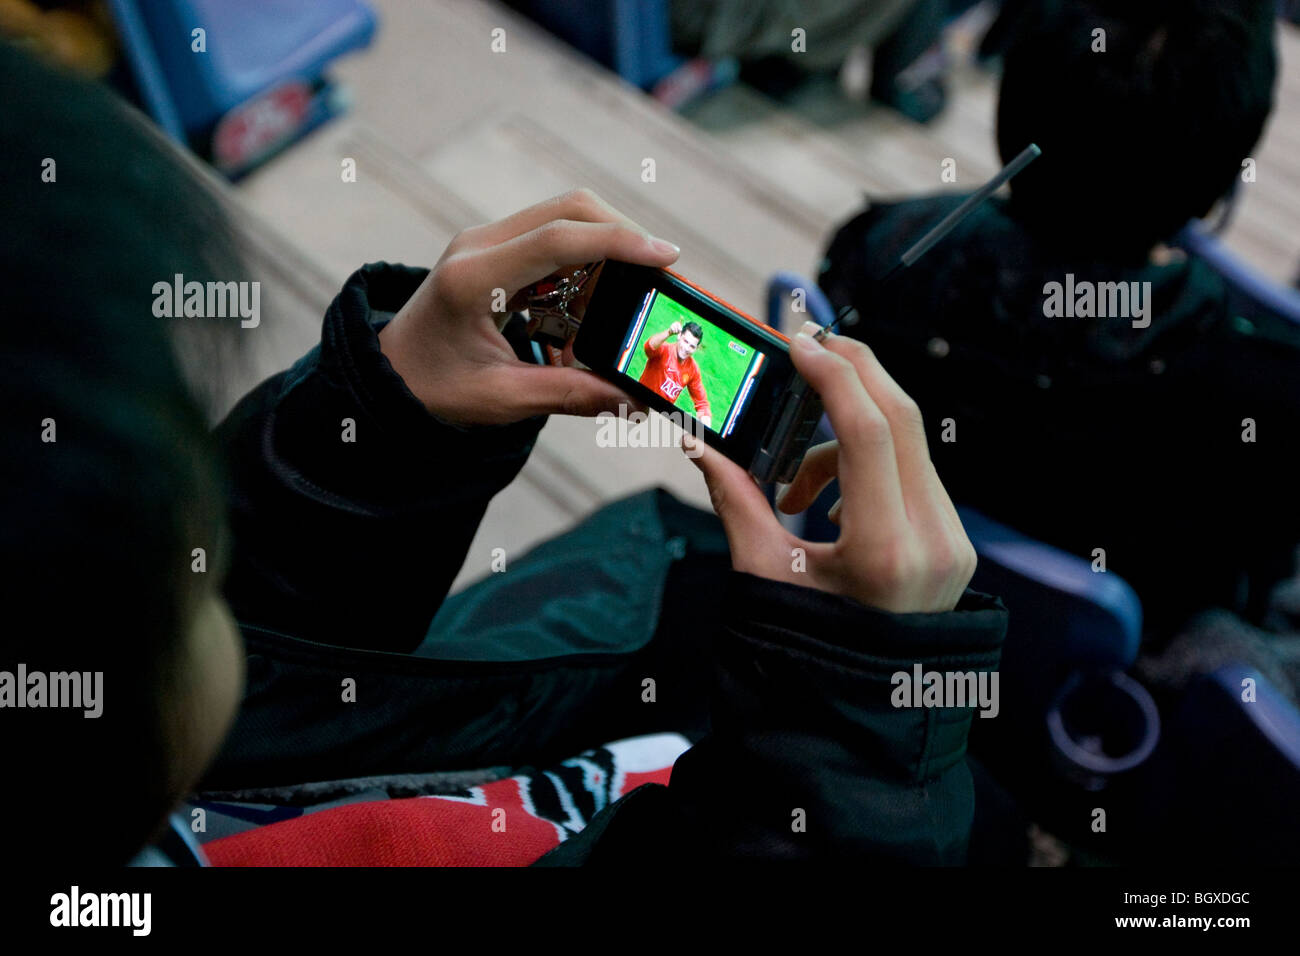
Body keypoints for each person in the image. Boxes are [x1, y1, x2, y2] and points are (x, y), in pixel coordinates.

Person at [2, 39, 1005, 866]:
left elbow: (269, 691)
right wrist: (859, 752)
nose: (206, 532)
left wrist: (376, 430)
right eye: (188, 547)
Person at [817, 0, 1299, 657]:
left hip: (860, 622)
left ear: (1012, 107)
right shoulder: (1266, 399)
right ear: (1222, 177)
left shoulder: (880, 251)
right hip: (1085, 707)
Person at [638, 319, 712, 426]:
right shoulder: (664, 350)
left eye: (692, 346)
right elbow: (649, 347)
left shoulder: (693, 369)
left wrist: (707, 433)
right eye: (685, 341)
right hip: (639, 404)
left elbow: (702, 404)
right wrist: (668, 332)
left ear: (696, 349)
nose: (687, 348)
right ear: (679, 337)